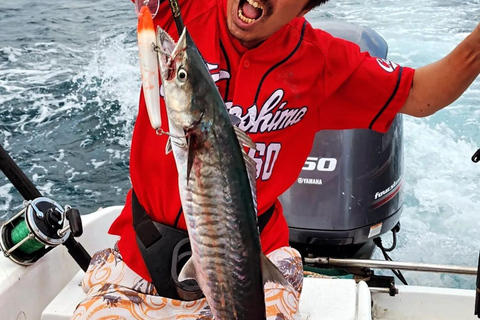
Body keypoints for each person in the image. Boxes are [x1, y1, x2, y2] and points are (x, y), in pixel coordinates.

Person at [71, 0, 480, 319]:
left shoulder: (322, 62)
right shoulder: (182, 11)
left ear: (306, 6)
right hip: (142, 249)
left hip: (258, 260)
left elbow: (422, 94)